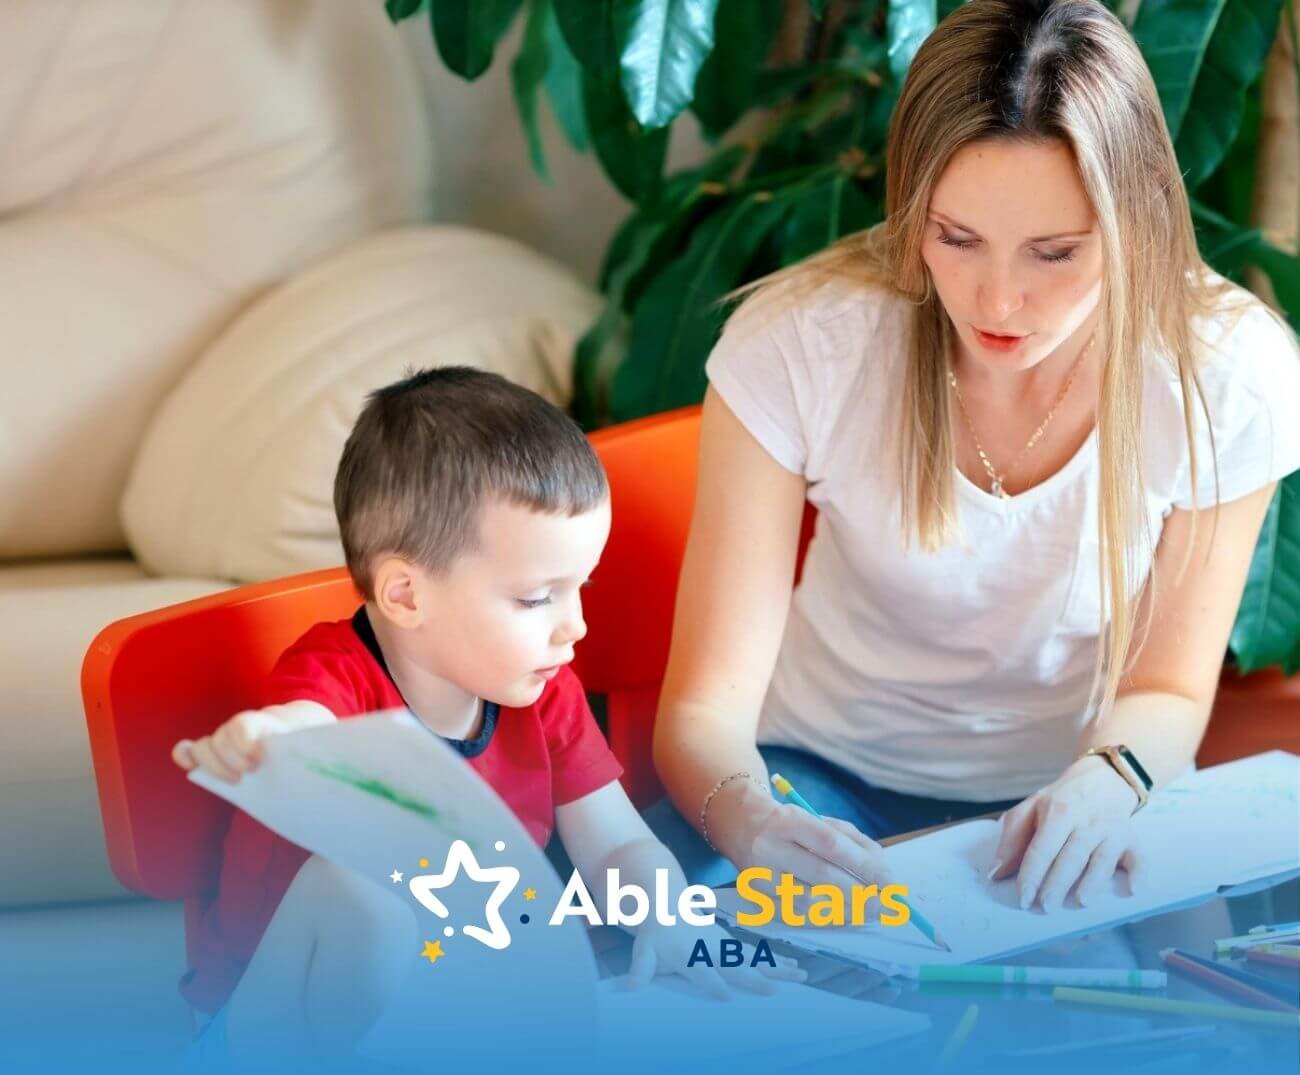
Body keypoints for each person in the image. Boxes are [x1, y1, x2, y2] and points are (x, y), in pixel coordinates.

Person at [647, 0, 1300, 918]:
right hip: (807, 777)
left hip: (1071, 794)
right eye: (956, 238)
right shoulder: (799, 345)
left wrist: (1108, 784)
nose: (1000, 298)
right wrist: (746, 818)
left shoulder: (1229, 374)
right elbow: (704, 714)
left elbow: (1167, 686)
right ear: (911, 202)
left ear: (1136, 217)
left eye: (1055, 252)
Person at [171, 368, 803, 1063]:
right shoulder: (336, 675)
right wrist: (270, 738)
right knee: (363, 895)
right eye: (538, 598)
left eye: (580, 587)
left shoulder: (539, 685)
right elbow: (304, 722)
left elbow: (618, 845)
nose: (575, 628)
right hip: (270, 1028)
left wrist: (673, 922)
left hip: (442, 1010)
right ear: (406, 596)